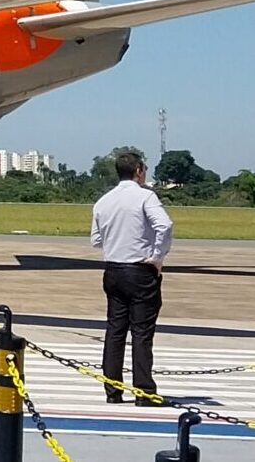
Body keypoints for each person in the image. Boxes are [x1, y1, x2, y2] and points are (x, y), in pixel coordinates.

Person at [89, 150, 172, 406]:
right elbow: (164, 225)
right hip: (139, 271)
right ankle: (144, 391)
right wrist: (158, 256)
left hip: (113, 270)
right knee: (141, 333)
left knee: (115, 331)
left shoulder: (103, 201)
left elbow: (96, 240)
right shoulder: (145, 196)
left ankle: (112, 390)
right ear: (138, 170)